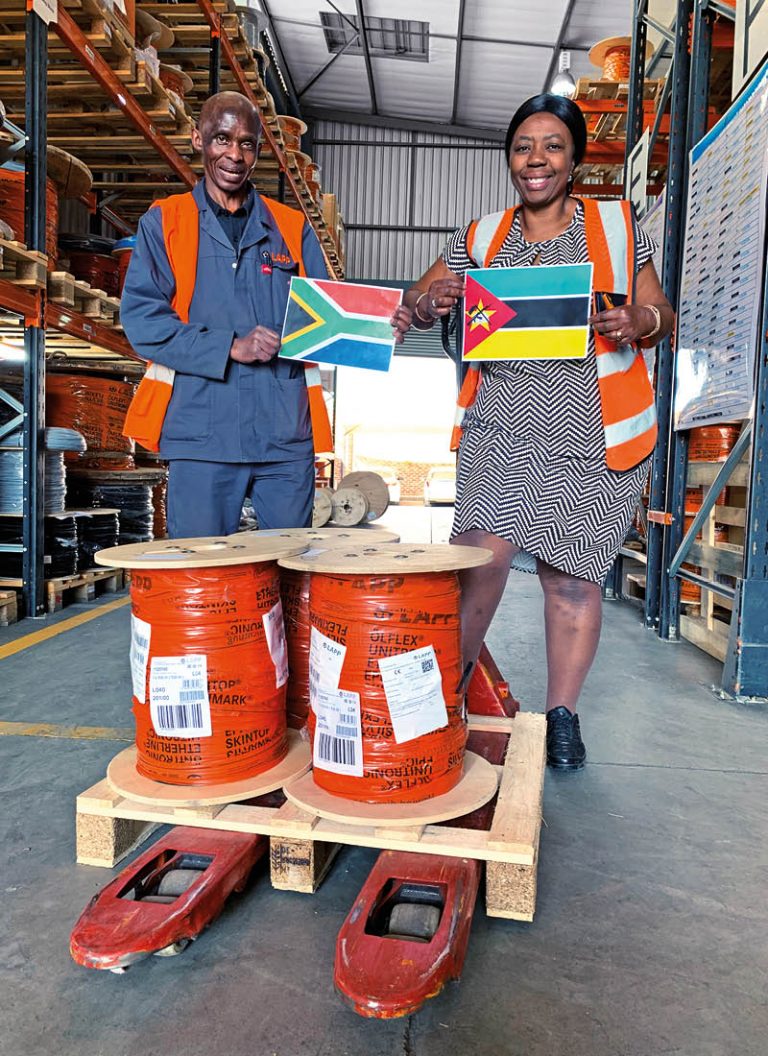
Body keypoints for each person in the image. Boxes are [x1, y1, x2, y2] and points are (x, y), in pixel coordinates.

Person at [406, 94, 674, 771]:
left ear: (575, 159)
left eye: (552, 145)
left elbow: (660, 311)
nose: (537, 159)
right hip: (502, 423)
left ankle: (562, 717)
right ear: (510, 158)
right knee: (476, 565)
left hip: (593, 428)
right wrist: (429, 300)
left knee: (573, 581)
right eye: (524, 145)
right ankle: (448, 699)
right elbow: (418, 298)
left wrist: (637, 324)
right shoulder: (481, 236)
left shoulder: (616, 227)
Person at [121, 91, 410, 537]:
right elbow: (144, 323)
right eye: (222, 139)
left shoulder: (292, 228)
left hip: (283, 438)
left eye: (247, 143)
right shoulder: (166, 222)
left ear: (260, 150)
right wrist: (229, 346)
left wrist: (382, 324)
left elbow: (335, 315)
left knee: (288, 572)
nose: (234, 155)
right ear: (198, 139)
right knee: (203, 576)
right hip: (202, 435)